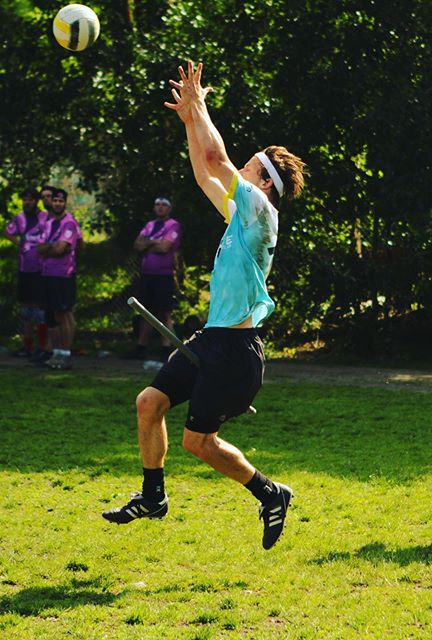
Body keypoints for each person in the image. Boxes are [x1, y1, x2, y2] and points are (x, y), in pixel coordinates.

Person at [103, 60, 306, 551]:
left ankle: (269, 492)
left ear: (263, 179)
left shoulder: (261, 210)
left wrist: (201, 107)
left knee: (198, 443)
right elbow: (203, 171)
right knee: (149, 403)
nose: (243, 169)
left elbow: (217, 161)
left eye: (251, 166)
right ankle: (153, 496)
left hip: (236, 351)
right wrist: (191, 121)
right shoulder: (244, 214)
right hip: (213, 340)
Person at [129, 197, 182, 361]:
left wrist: (149, 243)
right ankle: (141, 347)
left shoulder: (173, 225)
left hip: (164, 275)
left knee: (164, 312)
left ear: (169, 208)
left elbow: (165, 247)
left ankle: (168, 348)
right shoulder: (149, 225)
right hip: (147, 274)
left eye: (163, 205)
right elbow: (137, 245)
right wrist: (155, 243)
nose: (160, 208)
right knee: (145, 311)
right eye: (157, 204)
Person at [36, 188, 83, 370]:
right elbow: (39, 248)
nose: (57, 204)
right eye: (54, 200)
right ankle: (56, 353)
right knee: (53, 315)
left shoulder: (69, 223)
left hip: (64, 274)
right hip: (47, 273)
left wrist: (51, 248)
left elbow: (60, 249)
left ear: (65, 203)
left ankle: (65, 354)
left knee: (65, 314)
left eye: (60, 201)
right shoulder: (47, 223)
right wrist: (51, 248)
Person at [4, 187, 49, 357]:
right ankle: (27, 346)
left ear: (36, 201)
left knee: (40, 311)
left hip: (41, 270)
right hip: (25, 269)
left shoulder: (45, 218)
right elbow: (8, 232)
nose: (27, 202)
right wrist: (21, 244)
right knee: (26, 310)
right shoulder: (20, 219)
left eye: (30, 199)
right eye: (24, 199)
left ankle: (43, 346)